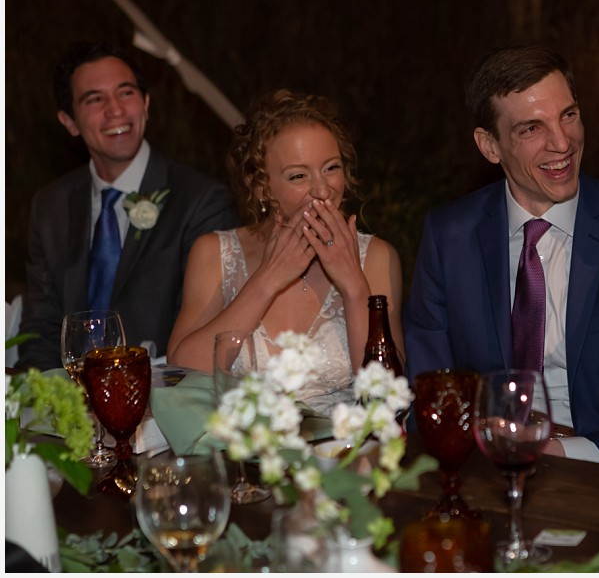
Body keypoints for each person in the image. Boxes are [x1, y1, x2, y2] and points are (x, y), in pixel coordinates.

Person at [403, 45, 599, 468]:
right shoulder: (449, 238)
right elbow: (430, 402)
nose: (562, 143)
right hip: (484, 469)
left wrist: (561, 453)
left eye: (568, 115)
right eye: (532, 128)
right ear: (490, 146)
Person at [167, 89, 404, 415]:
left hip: (347, 456)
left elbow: (388, 398)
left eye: (331, 168)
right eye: (298, 176)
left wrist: (353, 285)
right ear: (262, 185)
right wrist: (268, 279)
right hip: (244, 453)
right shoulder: (214, 253)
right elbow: (182, 370)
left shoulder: (378, 257)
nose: (323, 190)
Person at [18, 41, 237, 371]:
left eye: (126, 93)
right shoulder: (51, 205)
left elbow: (206, 335)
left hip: (161, 400)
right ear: (69, 121)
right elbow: (42, 330)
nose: (115, 110)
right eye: (94, 99)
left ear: (146, 104)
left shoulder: (201, 202)